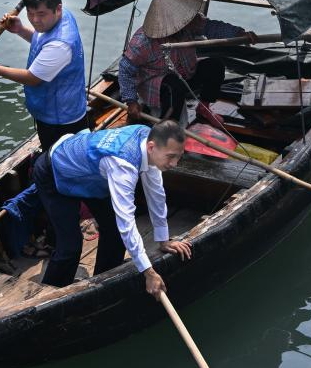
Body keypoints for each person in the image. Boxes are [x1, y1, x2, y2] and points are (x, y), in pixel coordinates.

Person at [31, 120, 193, 290]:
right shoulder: (124, 164)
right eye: (171, 157)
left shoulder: (149, 140)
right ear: (151, 147)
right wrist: (148, 272)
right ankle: (50, 293)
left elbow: (156, 194)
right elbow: (127, 221)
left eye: (178, 157)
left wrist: (163, 240)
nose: (175, 164)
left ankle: (103, 284)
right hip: (55, 171)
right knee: (70, 246)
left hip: (91, 176)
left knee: (114, 232)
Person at [0, 0, 89, 153]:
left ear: (57, 8)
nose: (35, 20)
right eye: (30, 13)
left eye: (41, 14)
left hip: (61, 120)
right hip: (53, 107)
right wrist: (20, 29)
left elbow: (32, 78)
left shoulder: (60, 44)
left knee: (58, 164)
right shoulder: (61, 16)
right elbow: (41, 42)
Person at [118, 0, 255, 124]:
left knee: (215, 66)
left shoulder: (189, 23)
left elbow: (211, 27)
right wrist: (131, 101)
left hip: (185, 73)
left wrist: (239, 34)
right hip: (156, 82)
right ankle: (169, 126)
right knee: (173, 87)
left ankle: (204, 107)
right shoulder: (143, 42)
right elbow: (125, 69)